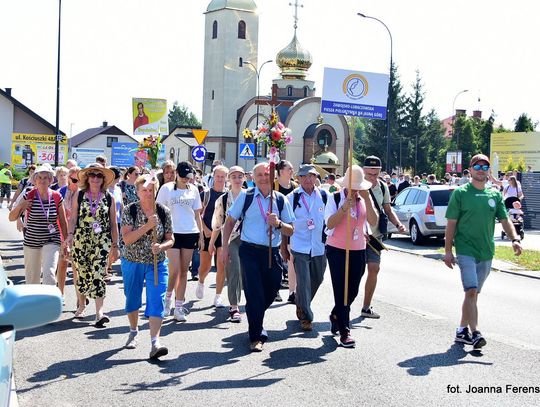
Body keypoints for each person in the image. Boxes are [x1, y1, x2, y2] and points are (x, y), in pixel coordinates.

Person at [444, 154, 522, 350]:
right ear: (470, 170)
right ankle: (476, 333)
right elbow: (451, 223)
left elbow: (505, 220)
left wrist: (515, 239)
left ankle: (462, 330)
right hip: (465, 250)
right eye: (476, 165)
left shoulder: (494, 195)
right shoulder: (460, 193)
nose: (480, 169)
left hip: (486, 251)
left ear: (489, 171)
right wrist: (447, 251)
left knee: (473, 294)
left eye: (484, 166)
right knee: (471, 290)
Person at [221, 162, 295, 352]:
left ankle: (255, 315)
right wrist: (224, 248)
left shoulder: (280, 199)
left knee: (271, 291)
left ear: (273, 177)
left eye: (266, 174)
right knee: (254, 293)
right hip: (249, 251)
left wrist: (278, 223)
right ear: (253, 177)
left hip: (272, 252)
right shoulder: (246, 196)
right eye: (259, 174)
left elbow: (291, 229)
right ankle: (256, 335)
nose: (263, 177)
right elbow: (229, 222)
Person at [121, 174, 174, 359]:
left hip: (156, 262)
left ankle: (155, 342)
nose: (148, 193)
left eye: (151, 190)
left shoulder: (163, 211)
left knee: (156, 299)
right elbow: (126, 239)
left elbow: (170, 239)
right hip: (133, 260)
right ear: (137, 191)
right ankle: (133, 331)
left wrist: (161, 246)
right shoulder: (130, 210)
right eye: (144, 190)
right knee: (132, 298)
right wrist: (147, 226)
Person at [324, 165, 378, 348]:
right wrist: (343, 209)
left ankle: (336, 314)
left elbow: (373, 221)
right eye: (353, 185)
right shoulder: (335, 197)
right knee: (341, 290)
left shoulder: (363, 199)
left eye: (358, 186)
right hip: (337, 249)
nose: (356, 189)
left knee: (353, 289)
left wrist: (368, 200)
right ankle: (345, 331)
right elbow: (329, 223)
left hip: (358, 249)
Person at [65, 163, 119, 327]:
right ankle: (81, 305)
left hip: (101, 240)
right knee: (81, 273)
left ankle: (99, 313)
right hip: (81, 239)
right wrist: (69, 237)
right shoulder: (79, 195)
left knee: (98, 273)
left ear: (103, 179)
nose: (95, 178)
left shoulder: (109, 197)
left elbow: (113, 223)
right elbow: (73, 218)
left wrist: (115, 246)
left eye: (99, 176)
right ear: (87, 178)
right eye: (92, 175)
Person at [156, 161, 204, 322]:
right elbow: (159, 212)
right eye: (182, 176)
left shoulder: (194, 190)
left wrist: (202, 236)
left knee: (184, 271)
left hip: (190, 232)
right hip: (172, 233)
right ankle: (167, 299)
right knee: (174, 270)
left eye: (188, 177)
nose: (185, 179)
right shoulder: (166, 189)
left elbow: (197, 215)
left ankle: (179, 306)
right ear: (177, 173)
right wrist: (159, 234)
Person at [282, 164, 327, 332]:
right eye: (304, 176)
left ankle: (301, 303)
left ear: (316, 178)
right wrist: (283, 247)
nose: (308, 179)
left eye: (312, 176)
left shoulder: (325, 195)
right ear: (298, 179)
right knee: (304, 281)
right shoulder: (292, 198)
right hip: (299, 245)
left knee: (318, 278)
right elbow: (285, 224)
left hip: (319, 246)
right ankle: (306, 317)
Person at [361, 156, 406, 319]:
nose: (372, 177)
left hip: (375, 236)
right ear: (364, 171)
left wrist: (398, 224)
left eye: (376, 174)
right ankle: (345, 305)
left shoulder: (382, 186)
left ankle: (366, 307)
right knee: (356, 273)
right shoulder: (357, 185)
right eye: (369, 174)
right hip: (357, 236)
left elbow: (388, 209)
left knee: (374, 268)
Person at [8, 165, 68, 285]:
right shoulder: (29, 195)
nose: (42, 180)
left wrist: (66, 242)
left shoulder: (57, 196)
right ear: (35, 180)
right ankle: (34, 302)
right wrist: (21, 206)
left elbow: (63, 220)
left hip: (52, 240)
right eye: (39, 177)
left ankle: (49, 302)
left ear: (51, 180)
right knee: (32, 277)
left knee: (49, 273)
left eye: (46, 177)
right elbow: (11, 217)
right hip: (32, 240)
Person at [209, 166, 245, 322]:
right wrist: (211, 243)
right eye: (234, 176)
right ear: (229, 179)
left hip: (248, 238)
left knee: (246, 272)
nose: (237, 180)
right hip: (229, 238)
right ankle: (234, 306)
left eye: (240, 176)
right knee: (234, 270)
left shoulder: (250, 196)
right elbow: (217, 224)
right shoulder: (222, 199)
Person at [196, 165, 228, 307]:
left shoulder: (229, 195)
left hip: (223, 234)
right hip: (207, 232)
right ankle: (201, 280)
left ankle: (218, 296)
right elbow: (197, 214)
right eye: (218, 176)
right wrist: (204, 229)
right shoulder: (206, 194)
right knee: (205, 266)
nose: (220, 179)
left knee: (222, 265)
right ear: (213, 176)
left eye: (223, 176)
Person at [274, 159, 298, 303]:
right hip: (275, 227)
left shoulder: (295, 187)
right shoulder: (273, 185)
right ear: (281, 171)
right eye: (289, 168)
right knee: (276, 259)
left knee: (291, 259)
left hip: (289, 225)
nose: (292, 171)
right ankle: (275, 289)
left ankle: (292, 291)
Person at [57, 166, 81, 302]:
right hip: (63, 232)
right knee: (62, 264)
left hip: (79, 233)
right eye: (74, 179)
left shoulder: (84, 193)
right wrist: (63, 236)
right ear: (69, 179)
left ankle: (80, 297)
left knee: (77, 266)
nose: (76, 182)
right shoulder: (61, 192)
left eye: (79, 179)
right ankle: (60, 293)